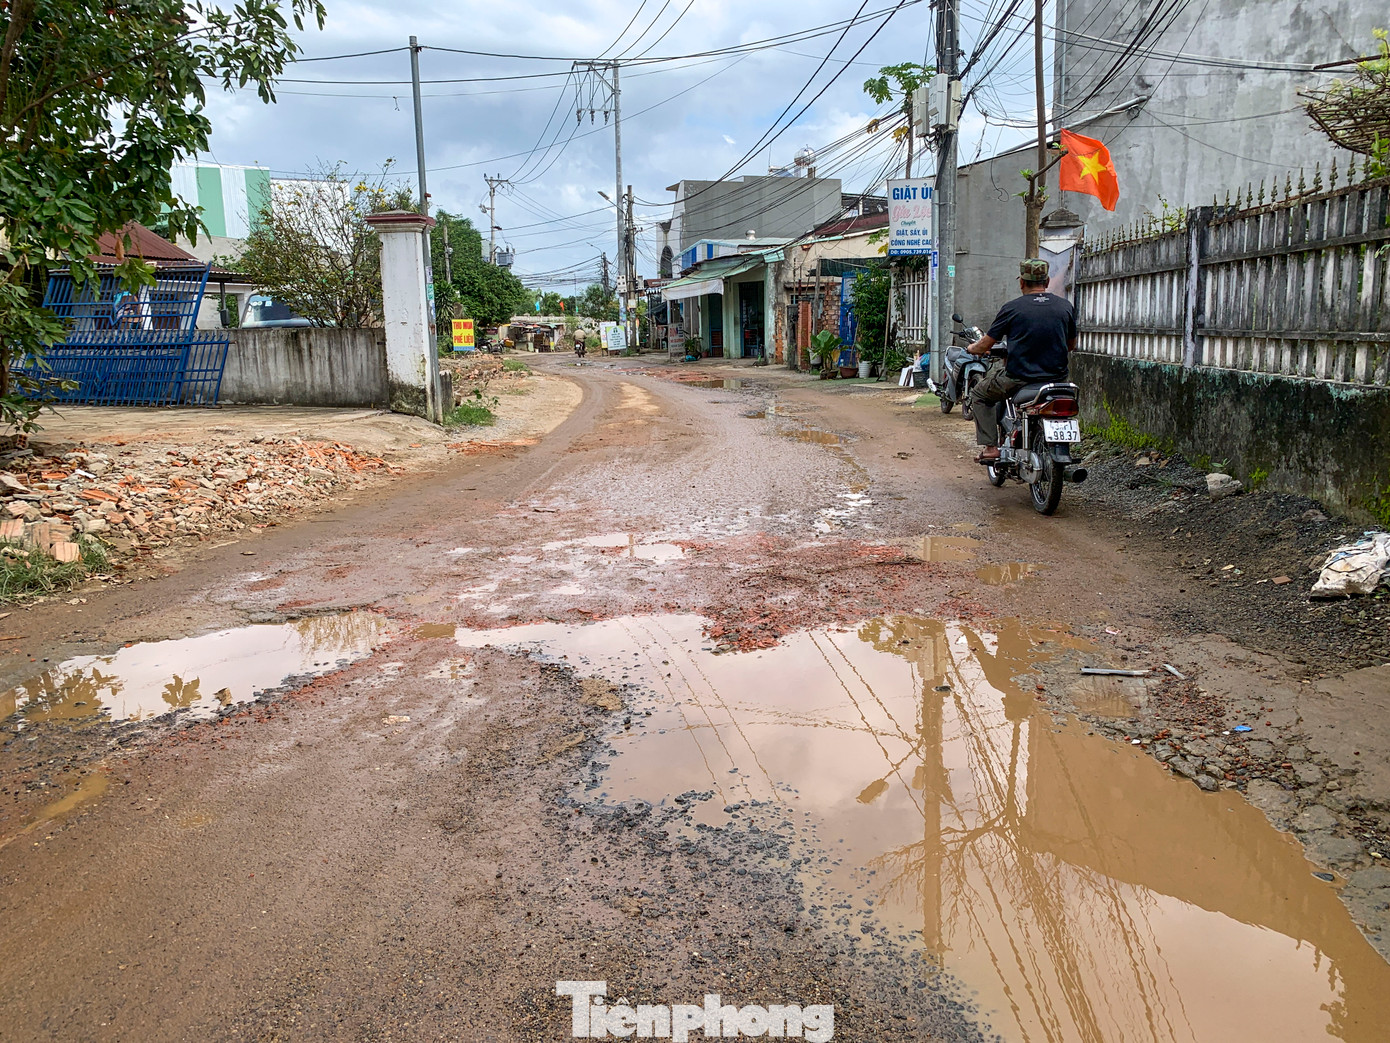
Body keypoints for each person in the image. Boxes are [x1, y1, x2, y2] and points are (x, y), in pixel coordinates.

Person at [965, 258, 1077, 463]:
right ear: (1048, 280)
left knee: (979, 393)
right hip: (1058, 380)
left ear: (1022, 282)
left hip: (1019, 378)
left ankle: (991, 448)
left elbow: (985, 345)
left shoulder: (1012, 308)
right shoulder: (1065, 307)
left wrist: (972, 348)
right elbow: (1071, 345)